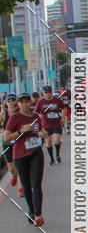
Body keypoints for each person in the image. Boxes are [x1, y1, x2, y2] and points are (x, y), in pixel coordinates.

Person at [4, 92, 47, 226]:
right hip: (20, 156)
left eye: (27, 101)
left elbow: (39, 131)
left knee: (36, 184)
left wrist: (42, 133)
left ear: (30, 103)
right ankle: (32, 211)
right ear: (18, 104)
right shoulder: (15, 118)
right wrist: (21, 131)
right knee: (26, 186)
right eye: (21, 102)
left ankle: (38, 215)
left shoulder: (35, 117)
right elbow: (6, 138)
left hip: (35, 153)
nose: (24, 104)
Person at [34, 85, 66, 164]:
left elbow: (64, 108)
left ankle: (57, 154)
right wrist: (39, 115)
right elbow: (35, 112)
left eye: (49, 92)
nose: (48, 93)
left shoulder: (57, 100)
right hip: (46, 124)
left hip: (56, 123)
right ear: (43, 93)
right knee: (48, 142)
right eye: (46, 92)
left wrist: (62, 117)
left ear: (52, 92)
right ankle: (51, 158)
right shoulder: (40, 102)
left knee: (57, 139)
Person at [1, 94, 20, 187]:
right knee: (11, 168)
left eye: (13, 100)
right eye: (9, 100)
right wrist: (3, 131)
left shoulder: (20, 112)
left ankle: (21, 189)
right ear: (6, 103)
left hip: (19, 141)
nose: (11, 102)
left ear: (16, 101)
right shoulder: (4, 114)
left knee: (20, 166)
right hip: (7, 142)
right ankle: (14, 175)